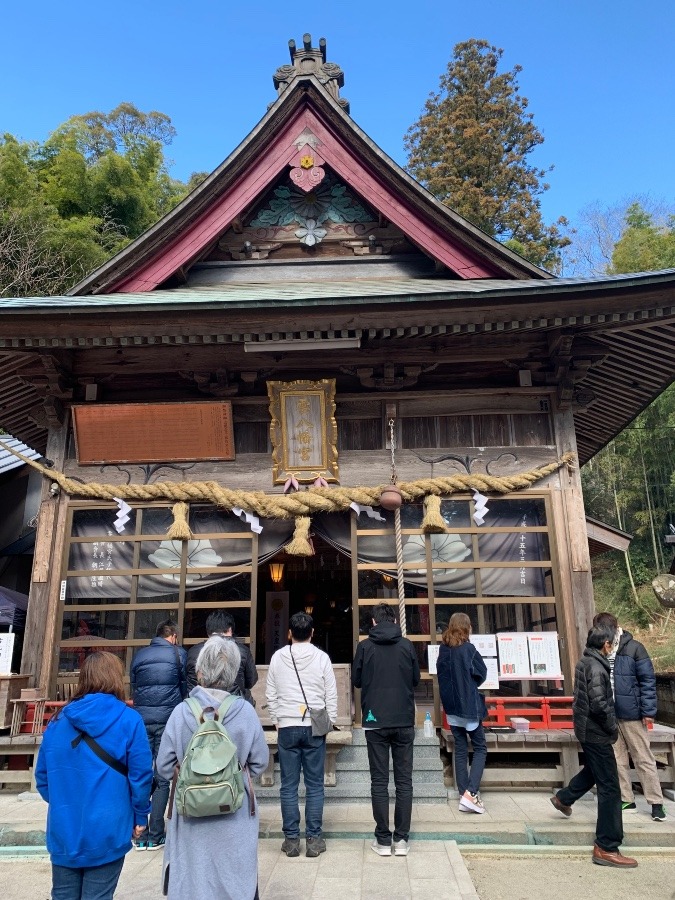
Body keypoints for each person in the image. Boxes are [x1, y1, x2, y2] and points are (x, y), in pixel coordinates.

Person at [157, 635, 268, 900]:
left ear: (199, 672)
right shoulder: (245, 712)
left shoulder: (180, 712)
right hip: (235, 816)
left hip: (190, 818)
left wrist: (192, 778)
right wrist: (233, 777)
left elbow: (162, 765)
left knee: (194, 883)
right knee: (235, 882)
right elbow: (261, 761)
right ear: (233, 675)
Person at [36, 651, 153, 900]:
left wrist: (66, 801)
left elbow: (43, 779)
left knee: (63, 895)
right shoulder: (129, 719)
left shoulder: (57, 722)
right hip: (108, 826)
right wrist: (140, 814)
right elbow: (141, 776)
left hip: (64, 827)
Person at [550, 624, 638, 868]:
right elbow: (599, 703)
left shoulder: (585, 661)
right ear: (606, 644)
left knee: (595, 770)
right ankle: (606, 846)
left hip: (586, 728)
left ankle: (564, 798)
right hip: (596, 731)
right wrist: (612, 726)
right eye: (612, 643)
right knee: (610, 787)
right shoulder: (597, 667)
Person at [266, 611, 338, 859]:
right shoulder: (322, 658)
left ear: (289, 634)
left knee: (288, 785)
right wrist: (330, 721)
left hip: (286, 725)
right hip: (313, 727)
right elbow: (332, 694)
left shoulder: (278, 657)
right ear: (312, 633)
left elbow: (270, 692)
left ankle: (292, 840)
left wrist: (276, 719)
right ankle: (314, 839)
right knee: (315, 785)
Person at [352, 602, 420, 857]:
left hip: (376, 720)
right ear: (393, 620)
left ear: (373, 622)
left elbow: (357, 681)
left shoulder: (365, 647)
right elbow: (415, 679)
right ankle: (401, 840)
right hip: (403, 719)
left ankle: (382, 840)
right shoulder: (406, 645)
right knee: (404, 782)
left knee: (379, 781)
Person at [593, 611, 666, 822]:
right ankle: (626, 798)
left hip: (632, 713)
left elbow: (647, 681)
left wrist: (649, 711)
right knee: (617, 759)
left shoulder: (635, 648)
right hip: (610, 713)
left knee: (643, 756)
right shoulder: (600, 649)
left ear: (615, 628)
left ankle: (656, 802)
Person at [130, 619, 187, 850]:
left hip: (141, 720)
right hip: (167, 720)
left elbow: (134, 685)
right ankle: (156, 832)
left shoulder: (139, 656)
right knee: (163, 775)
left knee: (142, 773)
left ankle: (139, 829)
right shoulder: (178, 655)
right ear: (173, 636)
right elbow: (183, 687)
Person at [436, 612, 488, 814]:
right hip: (469, 706)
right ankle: (472, 793)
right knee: (480, 748)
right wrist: (470, 686)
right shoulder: (468, 649)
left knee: (459, 747)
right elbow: (481, 673)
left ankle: (463, 793)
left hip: (452, 707)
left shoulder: (443, 650)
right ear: (466, 627)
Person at [186, 610, 258, 702]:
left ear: (208, 631)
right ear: (230, 629)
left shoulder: (193, 651)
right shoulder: (242, 650)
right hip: (233, 703)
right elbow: (251, 680)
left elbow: (189, 680)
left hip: (198, 704)